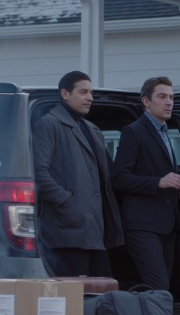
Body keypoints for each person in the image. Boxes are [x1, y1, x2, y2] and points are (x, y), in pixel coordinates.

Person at [32, 70, 123, 277]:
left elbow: (109, 176)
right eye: (83, 92)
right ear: (65, 94)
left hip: (95, 231)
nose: (90, 98)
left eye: (91, 93)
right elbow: (39, 172)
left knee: (102, 293)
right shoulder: (48, 124)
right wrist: (68, 202)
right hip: (67, 231)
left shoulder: (93, 129)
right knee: (75, 299)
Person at [112, 76, 180, 291]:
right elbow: (119, 178)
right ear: (146, 102)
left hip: (167, 225)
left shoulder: (166, 132)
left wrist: (178, 188)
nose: (169, 102)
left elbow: (157, 173)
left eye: (171, 97)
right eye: (162, 97)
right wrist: (159, 182)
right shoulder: (134, 132)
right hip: (142, 226)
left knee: (162, 288)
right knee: (159, 288)